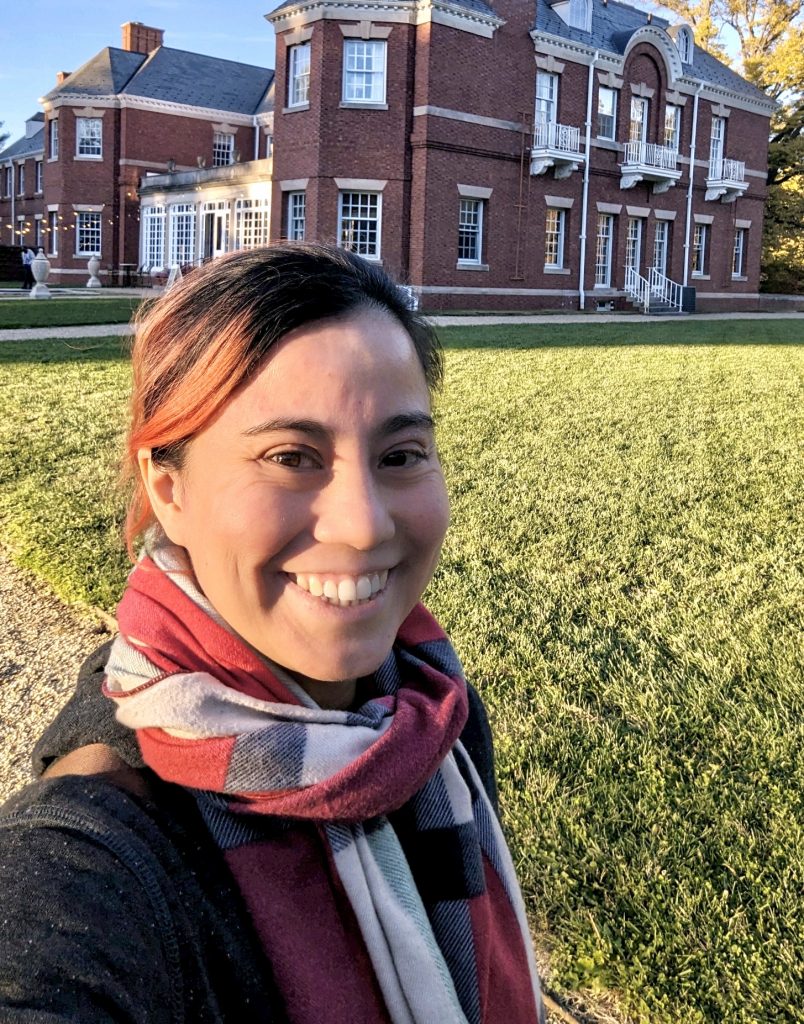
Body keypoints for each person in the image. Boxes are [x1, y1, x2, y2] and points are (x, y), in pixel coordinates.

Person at [0, 244, 545, 1023]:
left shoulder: (430, 712)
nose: (361, 526)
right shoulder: (88, 856)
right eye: (291, 457)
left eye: (400, 454)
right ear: (169, 488)